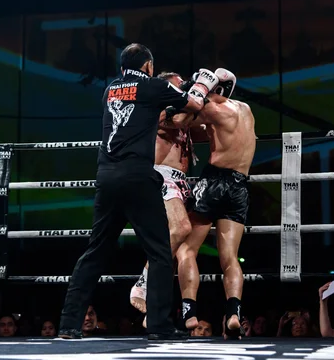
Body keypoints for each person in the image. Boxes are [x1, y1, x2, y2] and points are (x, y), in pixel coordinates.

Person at [58, 43, 219, 341]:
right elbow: (194, 106)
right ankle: (158, 325)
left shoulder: (110, 90)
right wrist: (202, 83)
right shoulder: (152, 85)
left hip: (106, 176)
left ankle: (68, 324)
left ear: (122, 68)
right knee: (159, 253)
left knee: (95, 252)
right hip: (138, 176)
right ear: (148, 66)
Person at [165, 68, 256, 338]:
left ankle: (189, 312)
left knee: (186, 250)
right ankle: (234, 313)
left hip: (214, 182)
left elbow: (178, 120)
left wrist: (193, 93)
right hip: (240, 185)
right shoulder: (246, 110)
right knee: (229, 258)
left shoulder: (211, 110)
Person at [129, 71, 196, 318]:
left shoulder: (183, 115)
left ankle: (155, 315)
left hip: (180, 183)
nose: (181, 91)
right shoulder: (157, 113)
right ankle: (142, 284)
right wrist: (198, 91)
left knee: (174, 249)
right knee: (181, 229)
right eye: (177, 87)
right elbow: (178, 119)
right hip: (161, 177)